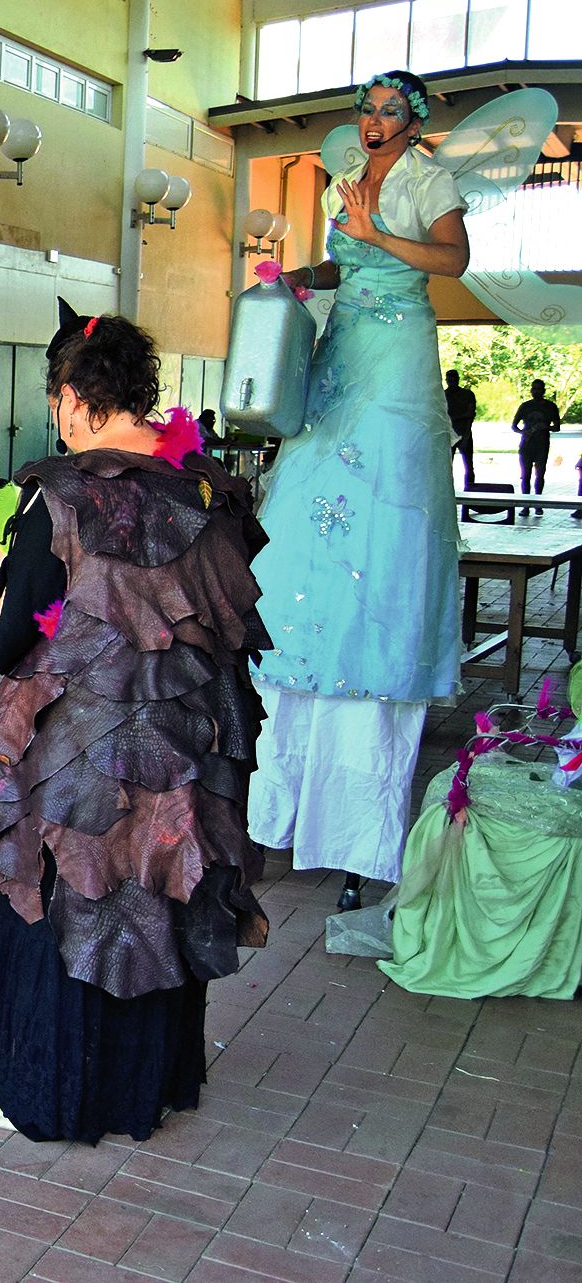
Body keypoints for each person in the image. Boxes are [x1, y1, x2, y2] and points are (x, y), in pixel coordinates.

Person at [0, 307, 269, 1144]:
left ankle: (47, 1092)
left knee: (74, 896)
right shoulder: (206, 489)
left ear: (70, 399)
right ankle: (153, 1088)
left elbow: (8, 643)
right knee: (161, 890)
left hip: (81, 759)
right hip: (187, 743)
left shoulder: (57, 495)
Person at [251, 71, 472, 911]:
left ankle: (358, 841)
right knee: (300, 506)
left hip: (395, 357)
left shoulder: (426, 182)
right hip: (339, 352)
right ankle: (270, 819)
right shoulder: (343, 178)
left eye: (389, 112)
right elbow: (340, 262)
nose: (373, 122)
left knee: (383, 519)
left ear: (412, 123)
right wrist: (297, 273)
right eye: (366, 110)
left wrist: (379, 234)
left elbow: (451, 259)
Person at [512, 379, 560, 511]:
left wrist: (546, 427)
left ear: (544, 391)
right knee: (525, 474)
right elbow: (514, 426)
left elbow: (557, 427)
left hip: (542, 444)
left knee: (540, 474)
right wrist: (524, 432)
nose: (536, 391)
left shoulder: (550, 407)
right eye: (534, 389)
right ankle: (525, 504)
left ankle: (538, 503)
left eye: (539, 389)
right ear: (531, 390)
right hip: (526, 444)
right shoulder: (525, 406)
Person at [444, 369, 477, 485]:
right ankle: (448, 491)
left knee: (468, 466)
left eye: (454, 378)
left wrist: (466, 434)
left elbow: (470, 415)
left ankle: (470, 490)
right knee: (447, 468)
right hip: (449, 434)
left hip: (463, 432)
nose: (452, 380)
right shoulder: (443, 396)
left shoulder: (467, 395)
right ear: (446, 380)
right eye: (450, 378)